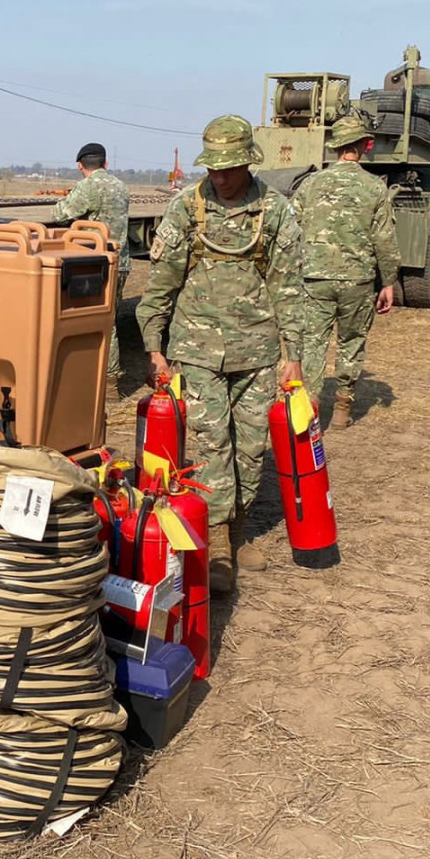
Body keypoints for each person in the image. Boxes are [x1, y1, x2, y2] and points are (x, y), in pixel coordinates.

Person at [136, 114, 305, 593]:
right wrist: (153, 346)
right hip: (197, 349)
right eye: (213, 168)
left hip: (257, 350)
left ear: (249, 162)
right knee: (212, 447)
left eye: (229, 168)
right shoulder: (187, 209)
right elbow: (162, 283)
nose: (221, 177)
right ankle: (216, 545)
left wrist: (292, 354)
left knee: (251, 448)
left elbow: (289, 287)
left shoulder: (275, 211)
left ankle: (238, 529)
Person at [290, 114, 398, 426]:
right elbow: (385, 240)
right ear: (365, 146)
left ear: (335, 146)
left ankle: (308, 407)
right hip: (358, 280)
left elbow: (290, 230)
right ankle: (342, 408)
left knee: (312, 342)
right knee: (352, 341)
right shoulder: (374, 188)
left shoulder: (310, 184)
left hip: (315, 278)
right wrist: (388, 282)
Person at [52, 142, 131, 385]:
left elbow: (59, 215)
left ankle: (102, 378)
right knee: (111, 316)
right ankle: (108, 380)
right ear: (105, 163)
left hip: (94, 263)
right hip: (121, 260)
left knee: (95, 319)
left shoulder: (87, 186)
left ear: (80, 166)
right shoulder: (121, 186)